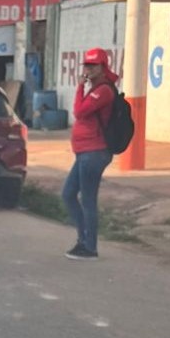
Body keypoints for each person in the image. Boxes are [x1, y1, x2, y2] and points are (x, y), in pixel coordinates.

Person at [62, 48, 117, 261]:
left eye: (93, 65)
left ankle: (89, 246)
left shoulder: (103, 91)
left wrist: (79, 86)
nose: (89, 69)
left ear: (103, 67)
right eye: (87, 65)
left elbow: (80, 111)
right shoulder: (94, 88)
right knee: (68, 194)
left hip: (94, 152)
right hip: (84, 152)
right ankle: (83, 239)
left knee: (88, 199)